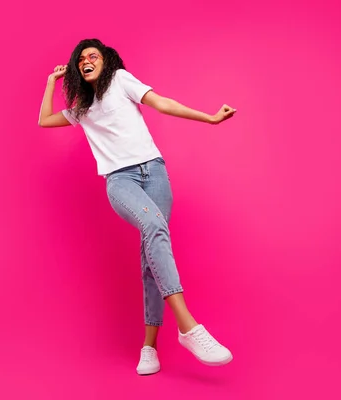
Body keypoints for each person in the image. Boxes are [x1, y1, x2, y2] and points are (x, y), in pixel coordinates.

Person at [38, 38, 237, 375]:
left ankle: (149, 347)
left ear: (105, 61)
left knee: (150, 257)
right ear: (76, 69)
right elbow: (44, 120)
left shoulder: (119, 80)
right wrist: (50, 82)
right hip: (121, 180)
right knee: (155, 228)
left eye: (93, 56)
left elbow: (162, 103)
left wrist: (210, 118)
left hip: (155, 172)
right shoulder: (81, 110)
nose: (87, 60)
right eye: (81, 58)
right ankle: (188, 327)